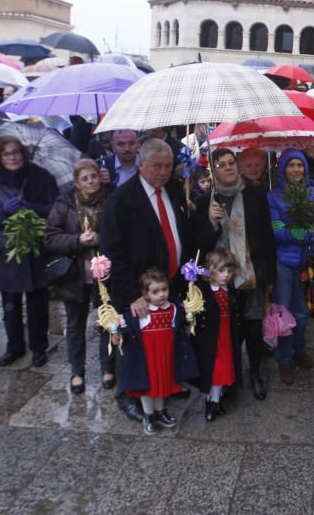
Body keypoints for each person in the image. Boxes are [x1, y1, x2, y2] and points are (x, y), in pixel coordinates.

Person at [98, 137, 196, 422]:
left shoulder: (175, 189)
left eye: (167, 166)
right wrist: (131, 295)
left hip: (170, 283)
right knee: (132, 347)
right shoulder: (122, 200)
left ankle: (166, 385)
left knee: (165, 341)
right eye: (157, 166)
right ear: (141, 165)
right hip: (138, 290)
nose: (163, 172)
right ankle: (127, 396)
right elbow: (113, 252)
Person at [196, 148, 276, 400]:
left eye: (232, 163)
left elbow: (267, 234)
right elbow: (199, 244)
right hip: (220, 277)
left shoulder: (255, 194)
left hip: (251, 273)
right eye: (222, 165)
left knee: (253, 326)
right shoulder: (205, 200)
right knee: (227, 328)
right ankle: (229, 377)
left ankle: (254, 373)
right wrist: (211, 223)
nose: (228, 167)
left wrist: (268, 274)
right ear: (213, 169)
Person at [0, 136, 59, 368]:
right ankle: (14, 347)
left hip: (34, 250)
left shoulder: (40, 177)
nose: (13, 157)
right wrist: (4, 212)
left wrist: (30, 207)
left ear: (23, 154)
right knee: (10, 304)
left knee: (37, 301)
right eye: (7, 154)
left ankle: (38, 347)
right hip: (7, 252)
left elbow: (55, 209)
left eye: (16, 152)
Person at [43, 159, 114, 394]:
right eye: (85, 178)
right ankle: (77, 372)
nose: (90, 181)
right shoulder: (64, 203)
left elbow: (120, 232)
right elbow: (50, 237)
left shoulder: (110, 199)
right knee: (75, 324)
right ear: (77, 183)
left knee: (107, 321)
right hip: (74, 275)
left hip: (104, 274)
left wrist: (101, 239)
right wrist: (77, 240)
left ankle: (108, 367)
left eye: (93, 176)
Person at [267, 148, 314, 384]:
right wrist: (296, 232)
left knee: (305, 311)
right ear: (283, 169)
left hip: (309, 263)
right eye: (291, 165)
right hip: (284, 263)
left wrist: (307, 235)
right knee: (284, 311)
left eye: (299, 165)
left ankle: (299, 347)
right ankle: (284, 357)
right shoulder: (274, 197)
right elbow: (276, 230)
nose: (296, 169)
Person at [116, 268, 199, 435]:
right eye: (155, 291)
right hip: (147, 357)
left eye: (164, 289)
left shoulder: (174, 308)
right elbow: (128, 331)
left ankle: (160, 411)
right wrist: (117, 333)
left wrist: (190, 318)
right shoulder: (141, 312)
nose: (161, 294)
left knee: (163, 383)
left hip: (166, 354)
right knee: (148, 386)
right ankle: (149, 415)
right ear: (145, 294)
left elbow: (182, 325)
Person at [194, 248, 243, 422]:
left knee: (224, 367)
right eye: (221, 271)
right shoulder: (205, 289)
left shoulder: (229, 289)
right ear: (211, 270)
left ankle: (215, 400)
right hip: (212, 337)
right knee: (216, 369)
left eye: (229, 271)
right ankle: (212, 402)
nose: (226, 275)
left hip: (226, 334)